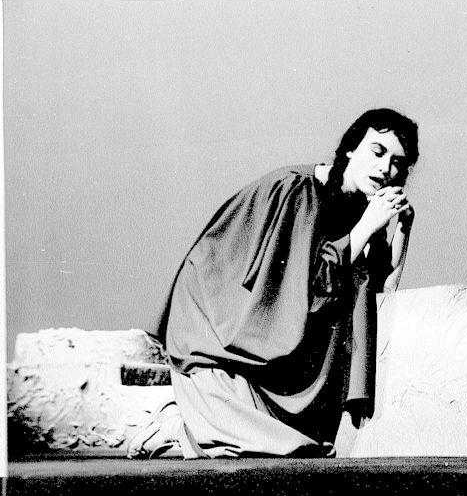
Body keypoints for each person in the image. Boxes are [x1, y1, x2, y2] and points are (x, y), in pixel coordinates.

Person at [128, 108, 418, 459]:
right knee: (269, 447)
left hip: (272, 345)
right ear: (350, 149)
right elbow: (308, 290)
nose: (386, 169)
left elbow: (379, 289)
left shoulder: (360, 209)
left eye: (398, 163)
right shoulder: (299, 191)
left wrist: (401, 229)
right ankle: (174, 426)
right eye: (377, 152)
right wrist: (367, 226)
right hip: (219, 335)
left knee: (297, 448)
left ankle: (191, 430)